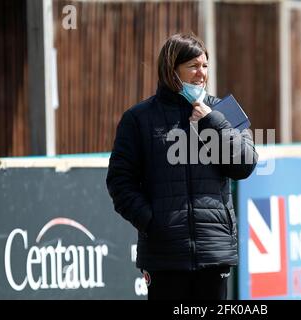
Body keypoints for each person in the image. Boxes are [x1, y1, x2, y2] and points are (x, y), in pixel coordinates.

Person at [106, 33, 258, 300]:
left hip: (214, 253)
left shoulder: (226, 110)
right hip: (164, 256)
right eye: (193, 66)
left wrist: (213, 123)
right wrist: (154, 223)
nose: (202, 73)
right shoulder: (138, 118)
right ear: (171, 70)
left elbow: (244, 165)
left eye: (205, 66)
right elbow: (120, 182)